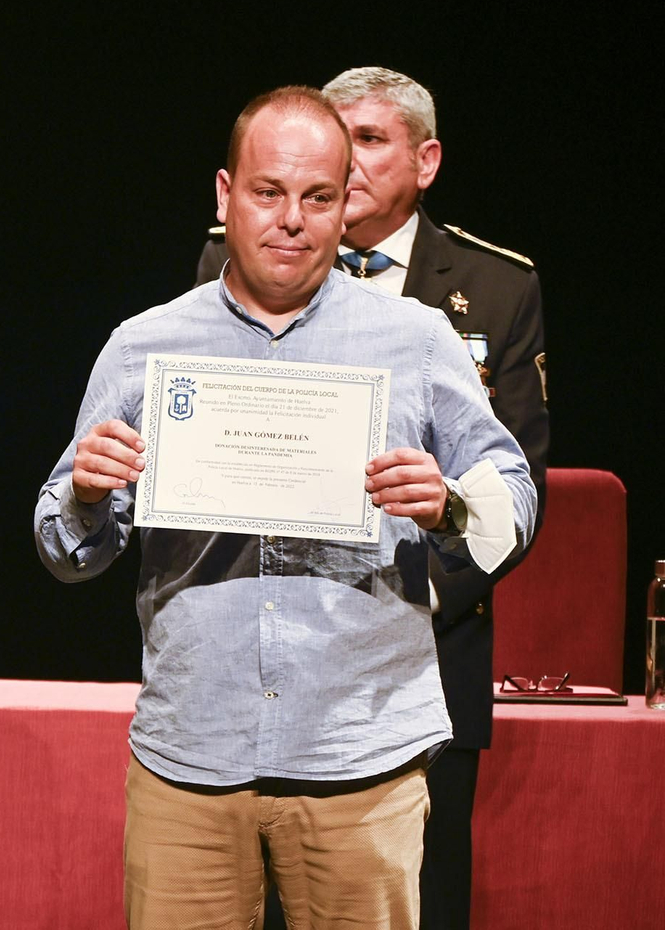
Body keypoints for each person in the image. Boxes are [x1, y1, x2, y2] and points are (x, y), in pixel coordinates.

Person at [36, 86, 536, 929]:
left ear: (347, 206)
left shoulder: (415, 340)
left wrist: (448, 504)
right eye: (269, 192)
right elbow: (61, 542)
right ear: (226, 195)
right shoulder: (146, 344)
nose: (292, 219)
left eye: (318, 197)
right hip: (190, 760)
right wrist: (86, 493)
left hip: (360, 759)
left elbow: (514, 491)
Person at [195, 67, 548, 928]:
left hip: (430, 654)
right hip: (268, 659)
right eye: (334, 138)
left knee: (418, 906)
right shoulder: (232, 257)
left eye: (372, 141)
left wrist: (422, 593)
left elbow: (519, 476)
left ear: (426, 161)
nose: (346, 163)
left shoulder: (497, 287)